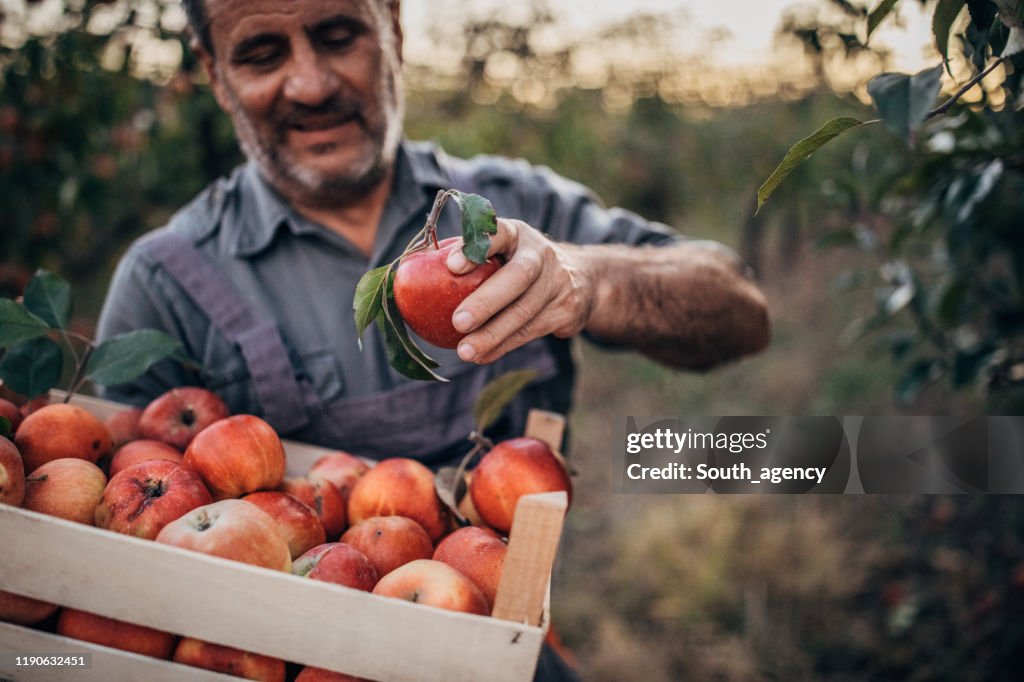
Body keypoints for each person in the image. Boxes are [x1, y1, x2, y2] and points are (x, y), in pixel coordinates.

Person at [95, 1, 769, 678]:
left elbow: (741, 311)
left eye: (338, 36)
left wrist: (590, 279)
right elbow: (115, 561)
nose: (311, 84)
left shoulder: (506, 212)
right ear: (215, 75)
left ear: (393, 30)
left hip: (494, 651)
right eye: (262, 55)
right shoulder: (166, 281)